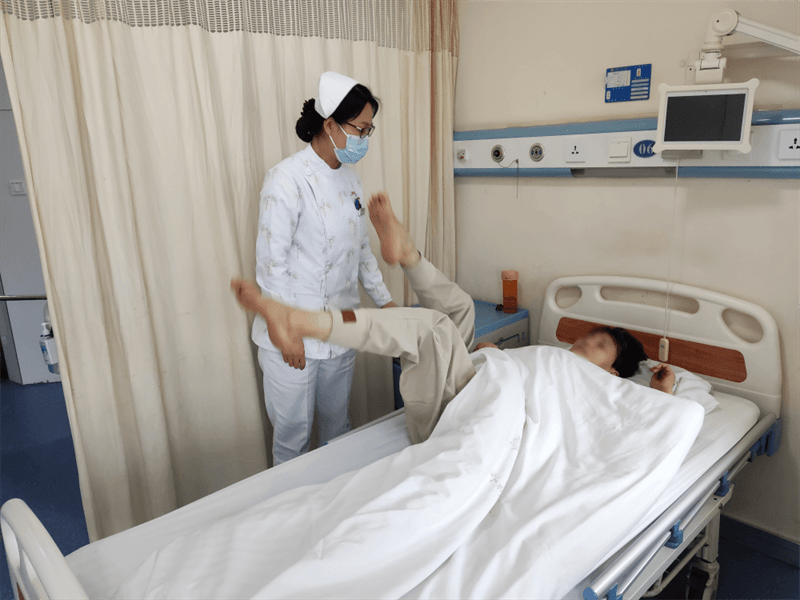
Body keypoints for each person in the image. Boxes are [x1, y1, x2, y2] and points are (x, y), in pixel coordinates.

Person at [235, 193, 676, 444]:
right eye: (591, 335)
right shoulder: (558, 358)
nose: (584, 341)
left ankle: (302, 322)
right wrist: (495, 358)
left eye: (599, 346)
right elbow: (529, 377)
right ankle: (408, 255)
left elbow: (638, 424)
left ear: (612, 372)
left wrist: (663, 393)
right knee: (461, 307)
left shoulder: (599, 389)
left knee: (434, 329)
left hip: (461, 421)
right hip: (469, 389)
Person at [252, 71, 395, 465]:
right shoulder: (285, 179)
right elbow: (271, 263)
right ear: (330, 125)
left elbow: (362, 251)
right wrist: (285, 331)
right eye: (360, 129)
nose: (364, 138)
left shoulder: (351, 181)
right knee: (292, 443)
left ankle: (336, 500)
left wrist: (386, 304)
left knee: (339, 433)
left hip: (339, 329)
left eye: (368, 130)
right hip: (292, 337)